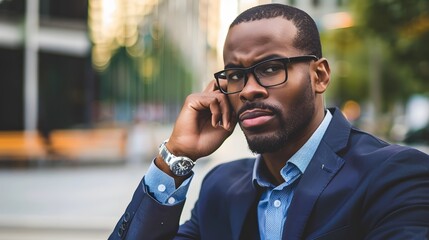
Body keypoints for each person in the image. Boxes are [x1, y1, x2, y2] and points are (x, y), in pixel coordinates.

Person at [109, 3, 429, 240]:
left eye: (272, 68)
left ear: (319, 76)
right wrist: (176, 157)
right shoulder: (220, 189)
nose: (249, 90)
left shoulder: (395, 175)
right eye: (235, 75)